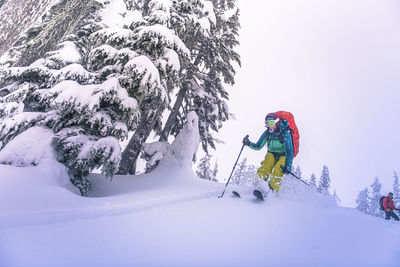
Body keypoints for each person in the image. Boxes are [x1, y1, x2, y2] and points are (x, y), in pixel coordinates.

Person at [242, 112, 294, 194]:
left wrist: (288, 166)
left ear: (277, 122)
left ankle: (272, 191)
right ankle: (258, 185)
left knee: (278, 170)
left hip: (283, 155)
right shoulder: (267, 133)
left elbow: (290, 151)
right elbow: (258, 146)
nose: (269, 125)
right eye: (267, 123)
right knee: (266, 165)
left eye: (271, 123)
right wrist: (248, 143)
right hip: (272, 153)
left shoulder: (285, 133)